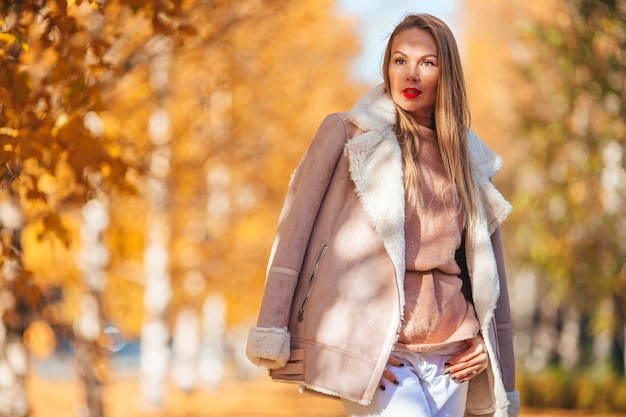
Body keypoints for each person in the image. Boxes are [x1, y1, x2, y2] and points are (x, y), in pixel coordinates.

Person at [246, 13, 520, 417]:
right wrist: (277, 329)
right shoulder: (347, 135)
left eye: (427, 62)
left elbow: (485, 270)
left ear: (447, 75)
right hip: (383, 357)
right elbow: (293, 234)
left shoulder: (468, 158)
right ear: (387, 68)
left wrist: (485, 340)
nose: (411, 73)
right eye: (399, 60)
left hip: (454, 359)